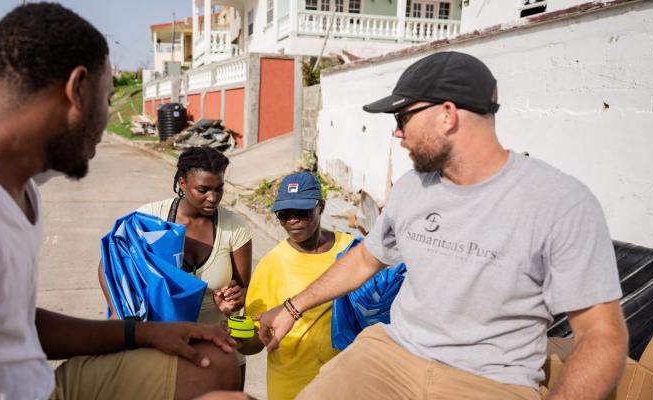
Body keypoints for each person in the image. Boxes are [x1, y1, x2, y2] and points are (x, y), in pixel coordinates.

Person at [0, 4, 240, 400]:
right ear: (77, 90)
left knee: (213, 362)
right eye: (106, 99)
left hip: (29, 383)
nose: (108, 117)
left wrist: (142, 331)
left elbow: (13, 324)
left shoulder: (16, 189)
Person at [256, 52, 628, 400]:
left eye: (402, 118)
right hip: (391, 355)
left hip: (489, 380)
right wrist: (290, 309)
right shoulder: (412, 188)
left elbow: (602, 336)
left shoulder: (560, 203)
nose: (396, 133)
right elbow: (366, 260)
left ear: (447, 115)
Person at [98, 146, 253, 386]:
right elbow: (110, 262)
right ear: (182, 183)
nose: (213, 197)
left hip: (218, 348)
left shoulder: (235, 227)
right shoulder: (150, 219)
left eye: (219, 188)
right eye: (203, 189)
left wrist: (234, 299)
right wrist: (121, 314)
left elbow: (244, 290)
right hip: (161, 348)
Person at [236, 172, 354, 400]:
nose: (292, 220)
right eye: (284, 215)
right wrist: (237, 336)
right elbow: (253, 342)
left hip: (347, 383)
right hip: (292, 386)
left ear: (321, 206)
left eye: (301, 212)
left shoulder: (351, 251)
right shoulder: (271, 264)